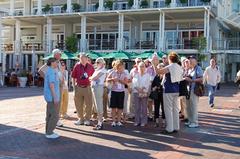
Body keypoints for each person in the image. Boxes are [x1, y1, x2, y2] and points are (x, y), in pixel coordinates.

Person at [153, 52, 183, 134]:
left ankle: (169, 128)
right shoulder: (179, 67)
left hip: (169, 90)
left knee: (168, 109)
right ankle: (176, 127)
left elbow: (158, 72)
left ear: (170, 59)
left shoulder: (170, 66)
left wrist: (154, 64)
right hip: (176, 89)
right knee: (175, 109)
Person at [38, 48, 64, 127]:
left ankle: (56, 119)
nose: (60, 55)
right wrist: (47, 79)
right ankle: (52, 120)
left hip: (59, 86)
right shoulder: (51, 62)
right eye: (60, 54)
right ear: (56, 54)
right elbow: (40, 70)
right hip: (54, 86)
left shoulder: (58, 62)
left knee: (58, 104)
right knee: (53, 104)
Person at [72, 53, 95, 126]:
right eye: (80, 58)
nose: (81, 59)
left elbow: (94, 76)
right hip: (78, 87)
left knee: (88, 104)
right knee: (78, 104)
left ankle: (87, 119)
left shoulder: (91, 67)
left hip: (87, 87)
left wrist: (92, 83)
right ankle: (80, 119)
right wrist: (74, 87)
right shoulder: (77, 65)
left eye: (83, 58)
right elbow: (73, 76)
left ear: (86, 58)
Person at [107, 60, 128, 127]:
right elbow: (107, 79)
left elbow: (126, 82)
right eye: (119, 67)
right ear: (116, 66)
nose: (121, 68)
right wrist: (112, 79)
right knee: (113, 107)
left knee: (120, 107)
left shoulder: (124, 73)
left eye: (122, 67)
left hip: (121, 92)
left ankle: (119, 121)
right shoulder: (113, 72)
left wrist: (120, 81)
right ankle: (113, 121)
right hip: (114, 91)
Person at [44, 58, 61, 139]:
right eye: (56, 62)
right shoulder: (51, 72)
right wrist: (55, 97)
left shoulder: (51, 70)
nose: (57, 63)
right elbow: (51, 85)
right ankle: (49, 133)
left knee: (49, 115)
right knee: (54, 115)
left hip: (49, 97)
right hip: (51, 97)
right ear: (52, 63)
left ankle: (48, 131)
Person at [184, 55, 203, 128]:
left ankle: (195, 122)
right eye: (189, 60)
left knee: (193, 106)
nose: (190, 61)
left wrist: (191, 80)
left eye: (191, 60)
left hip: (194, 90)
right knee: (188, 107)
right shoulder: (189, 69)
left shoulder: (198, 68)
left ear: (195, 61)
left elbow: (201, 79)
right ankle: (190, 120)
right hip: (188, 90)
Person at [90, 58, 107, 130]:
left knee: (99, 105)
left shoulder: (103, 70)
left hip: (98, 87)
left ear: (103, 63)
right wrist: (91, 78)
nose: (97, 63)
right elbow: (92, 78)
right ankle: (99, 122)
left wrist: (91, 78)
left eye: (98, 62)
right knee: (97, 106)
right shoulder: (97, 70)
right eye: (96, 62)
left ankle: (100, 123)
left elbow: (94, 78)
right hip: (95, 87)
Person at [132, 62, 151, 127]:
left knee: (144, 108)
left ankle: (144, 121)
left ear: (145, 67)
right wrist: (138, 89)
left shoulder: (147, 75)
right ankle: (137, 121)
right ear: (138, 67)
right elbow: (134, 83)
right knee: (137, 108)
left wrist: (142, 89)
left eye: (143, 66)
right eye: (140, 66)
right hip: (136, 92)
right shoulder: (135, 75)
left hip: (144, 93)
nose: (141, 68)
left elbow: (148, 84)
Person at [151, 63, 165, 127]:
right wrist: (154, 88)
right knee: (156, 107)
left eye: (162, 67)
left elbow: (165, 85)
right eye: (159, 67)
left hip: (163, 94)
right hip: (157, 94)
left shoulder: (166, 76)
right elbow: (152, 85)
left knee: (163, 108)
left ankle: (164, 122)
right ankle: (156, 122)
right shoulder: (156, 76)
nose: (160, 68)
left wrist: (158, 86)